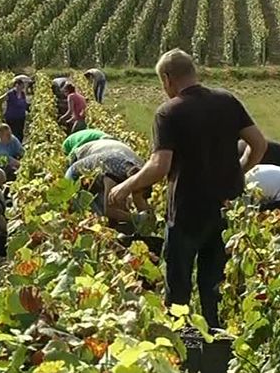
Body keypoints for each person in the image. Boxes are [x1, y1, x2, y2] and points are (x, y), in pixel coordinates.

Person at [108, 49, 267, 328]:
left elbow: (160, 165)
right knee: (214, 284)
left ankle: (181, 348)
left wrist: (125, 186)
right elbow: (259, 144)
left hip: (187, 211)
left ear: (168, 79)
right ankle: (215, 345)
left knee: (179, 288)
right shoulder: (226, 101)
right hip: (225, 209)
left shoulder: (169, 112)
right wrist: (237, 171)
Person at [66, 149, 152, 233]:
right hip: (74, 178)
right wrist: (136, 218)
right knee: (96, 218)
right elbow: (108, 210)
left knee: (117, 211)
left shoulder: (137, 172)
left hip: (95, 180)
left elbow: (139, 199)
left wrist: (148, 216)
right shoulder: (113, 177)